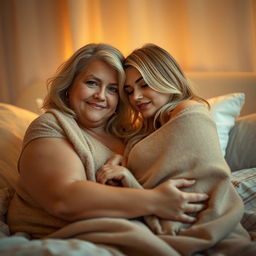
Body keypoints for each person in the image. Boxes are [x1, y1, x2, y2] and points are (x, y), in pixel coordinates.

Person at [7, 43, 209, 256]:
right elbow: (64, 199)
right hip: (66, 234)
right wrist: (156, 201)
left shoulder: (130, 135)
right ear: (69, 86)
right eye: (92, 83)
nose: (101, 96)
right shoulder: (52, 124)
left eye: (113, 89)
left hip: (143, 228)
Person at [96, 43, 256, 255]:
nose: (136, 97)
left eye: (144, 85)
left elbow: (195, 187)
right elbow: (149, 184)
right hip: (149, 216)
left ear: (165, 79)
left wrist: (128, 177)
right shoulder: (140, 134)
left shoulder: (189, 112)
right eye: (129, 91)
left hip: (199, 224)